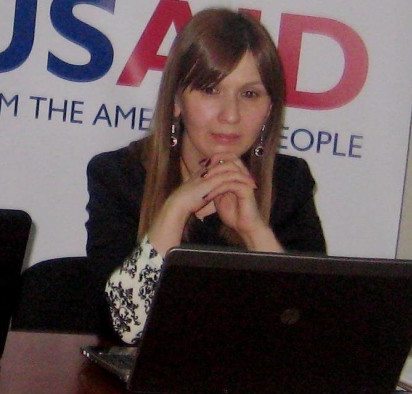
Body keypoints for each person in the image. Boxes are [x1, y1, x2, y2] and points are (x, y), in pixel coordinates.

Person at [86, 8, 326, 344]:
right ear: (176, 100)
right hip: (146, 374)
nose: (231, 115)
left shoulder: (290, 181)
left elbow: (310, 330)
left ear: (270, 108)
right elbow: (123, 328)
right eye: (211, 90)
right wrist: (175, 209)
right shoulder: (119, 175)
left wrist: (254, 231)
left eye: (250, 94)